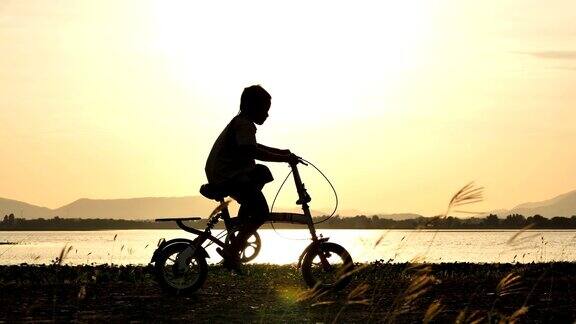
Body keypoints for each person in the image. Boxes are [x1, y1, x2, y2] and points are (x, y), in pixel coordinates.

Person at [204, 85, 298, 271]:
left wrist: (282, 152)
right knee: (262, 212)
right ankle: (234, 249)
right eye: (264, 110)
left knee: (262, 172)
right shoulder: (244, 124)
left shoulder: (241, 123)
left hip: (227, 174)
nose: (266, 115)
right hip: (228, 177)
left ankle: (244, 214)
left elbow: (253, 147)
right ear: (250, 106)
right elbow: (252, 151)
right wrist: (283, 158)